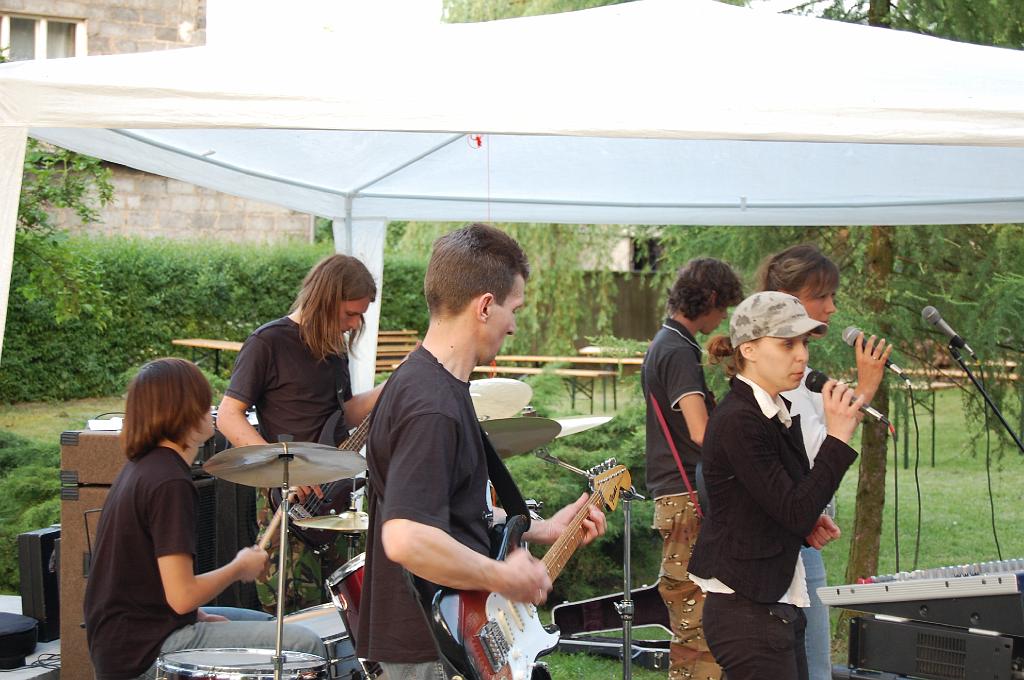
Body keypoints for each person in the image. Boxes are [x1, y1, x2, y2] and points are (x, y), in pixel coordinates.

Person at [356, 223, 607, 680]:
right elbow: (406, 537)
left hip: (444, 643)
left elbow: (452, 511)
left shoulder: (434, 386)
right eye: (514, 309)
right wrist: (501, 576)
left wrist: (545, 529)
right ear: (486, 306)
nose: (513, 326)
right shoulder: (431, 405)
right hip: (434, 650)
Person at [84, 358, 325, 680]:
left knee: (267, 625)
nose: (210, 409)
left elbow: (146, 582)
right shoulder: (169, 482)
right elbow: (182, 596)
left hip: (128, 637)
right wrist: (239, 567)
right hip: (145, 652)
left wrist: (199, 616)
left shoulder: (143, 468)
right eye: (204, 401)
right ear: (183, 411)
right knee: (304, 646)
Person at [687, 292, 863, 680]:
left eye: (804, 344)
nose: (801, 356)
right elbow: (793, 508)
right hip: (747, 610)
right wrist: (837, 439)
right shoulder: (739, 420)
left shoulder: (770, 412)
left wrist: (803, 526)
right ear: (748, 349)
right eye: (787, 344)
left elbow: (776, 502)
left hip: (770, 604)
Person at [217, 253, 384, 612]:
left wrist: (392, 387)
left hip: (333, 498)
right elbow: (228, 416)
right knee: (292, 618)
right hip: (288, 501)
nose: (355, 324)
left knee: (340, 612)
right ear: (325, 300)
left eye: (360, 316)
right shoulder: (268, 342)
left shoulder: (333, 349)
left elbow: (343, 414)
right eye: (349, 314)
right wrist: (283, 468)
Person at [756, 244, 892, 680]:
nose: (832, 307)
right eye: (822, 296)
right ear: (788, 299)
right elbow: (817, 454)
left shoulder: (793, 369)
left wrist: (857, 395)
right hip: (790, 537)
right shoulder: (782, 374)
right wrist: (865, 390)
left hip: (801, 531)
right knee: (812, 668)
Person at [642, 258, 742, 680]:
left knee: (694, 626)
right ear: (711, 298)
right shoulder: (679, 350)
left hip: (675, 496)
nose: (723, 318)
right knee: (698, 630)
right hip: (686, 499)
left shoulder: (666, 342)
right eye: (724, 308)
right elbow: (701, 431)